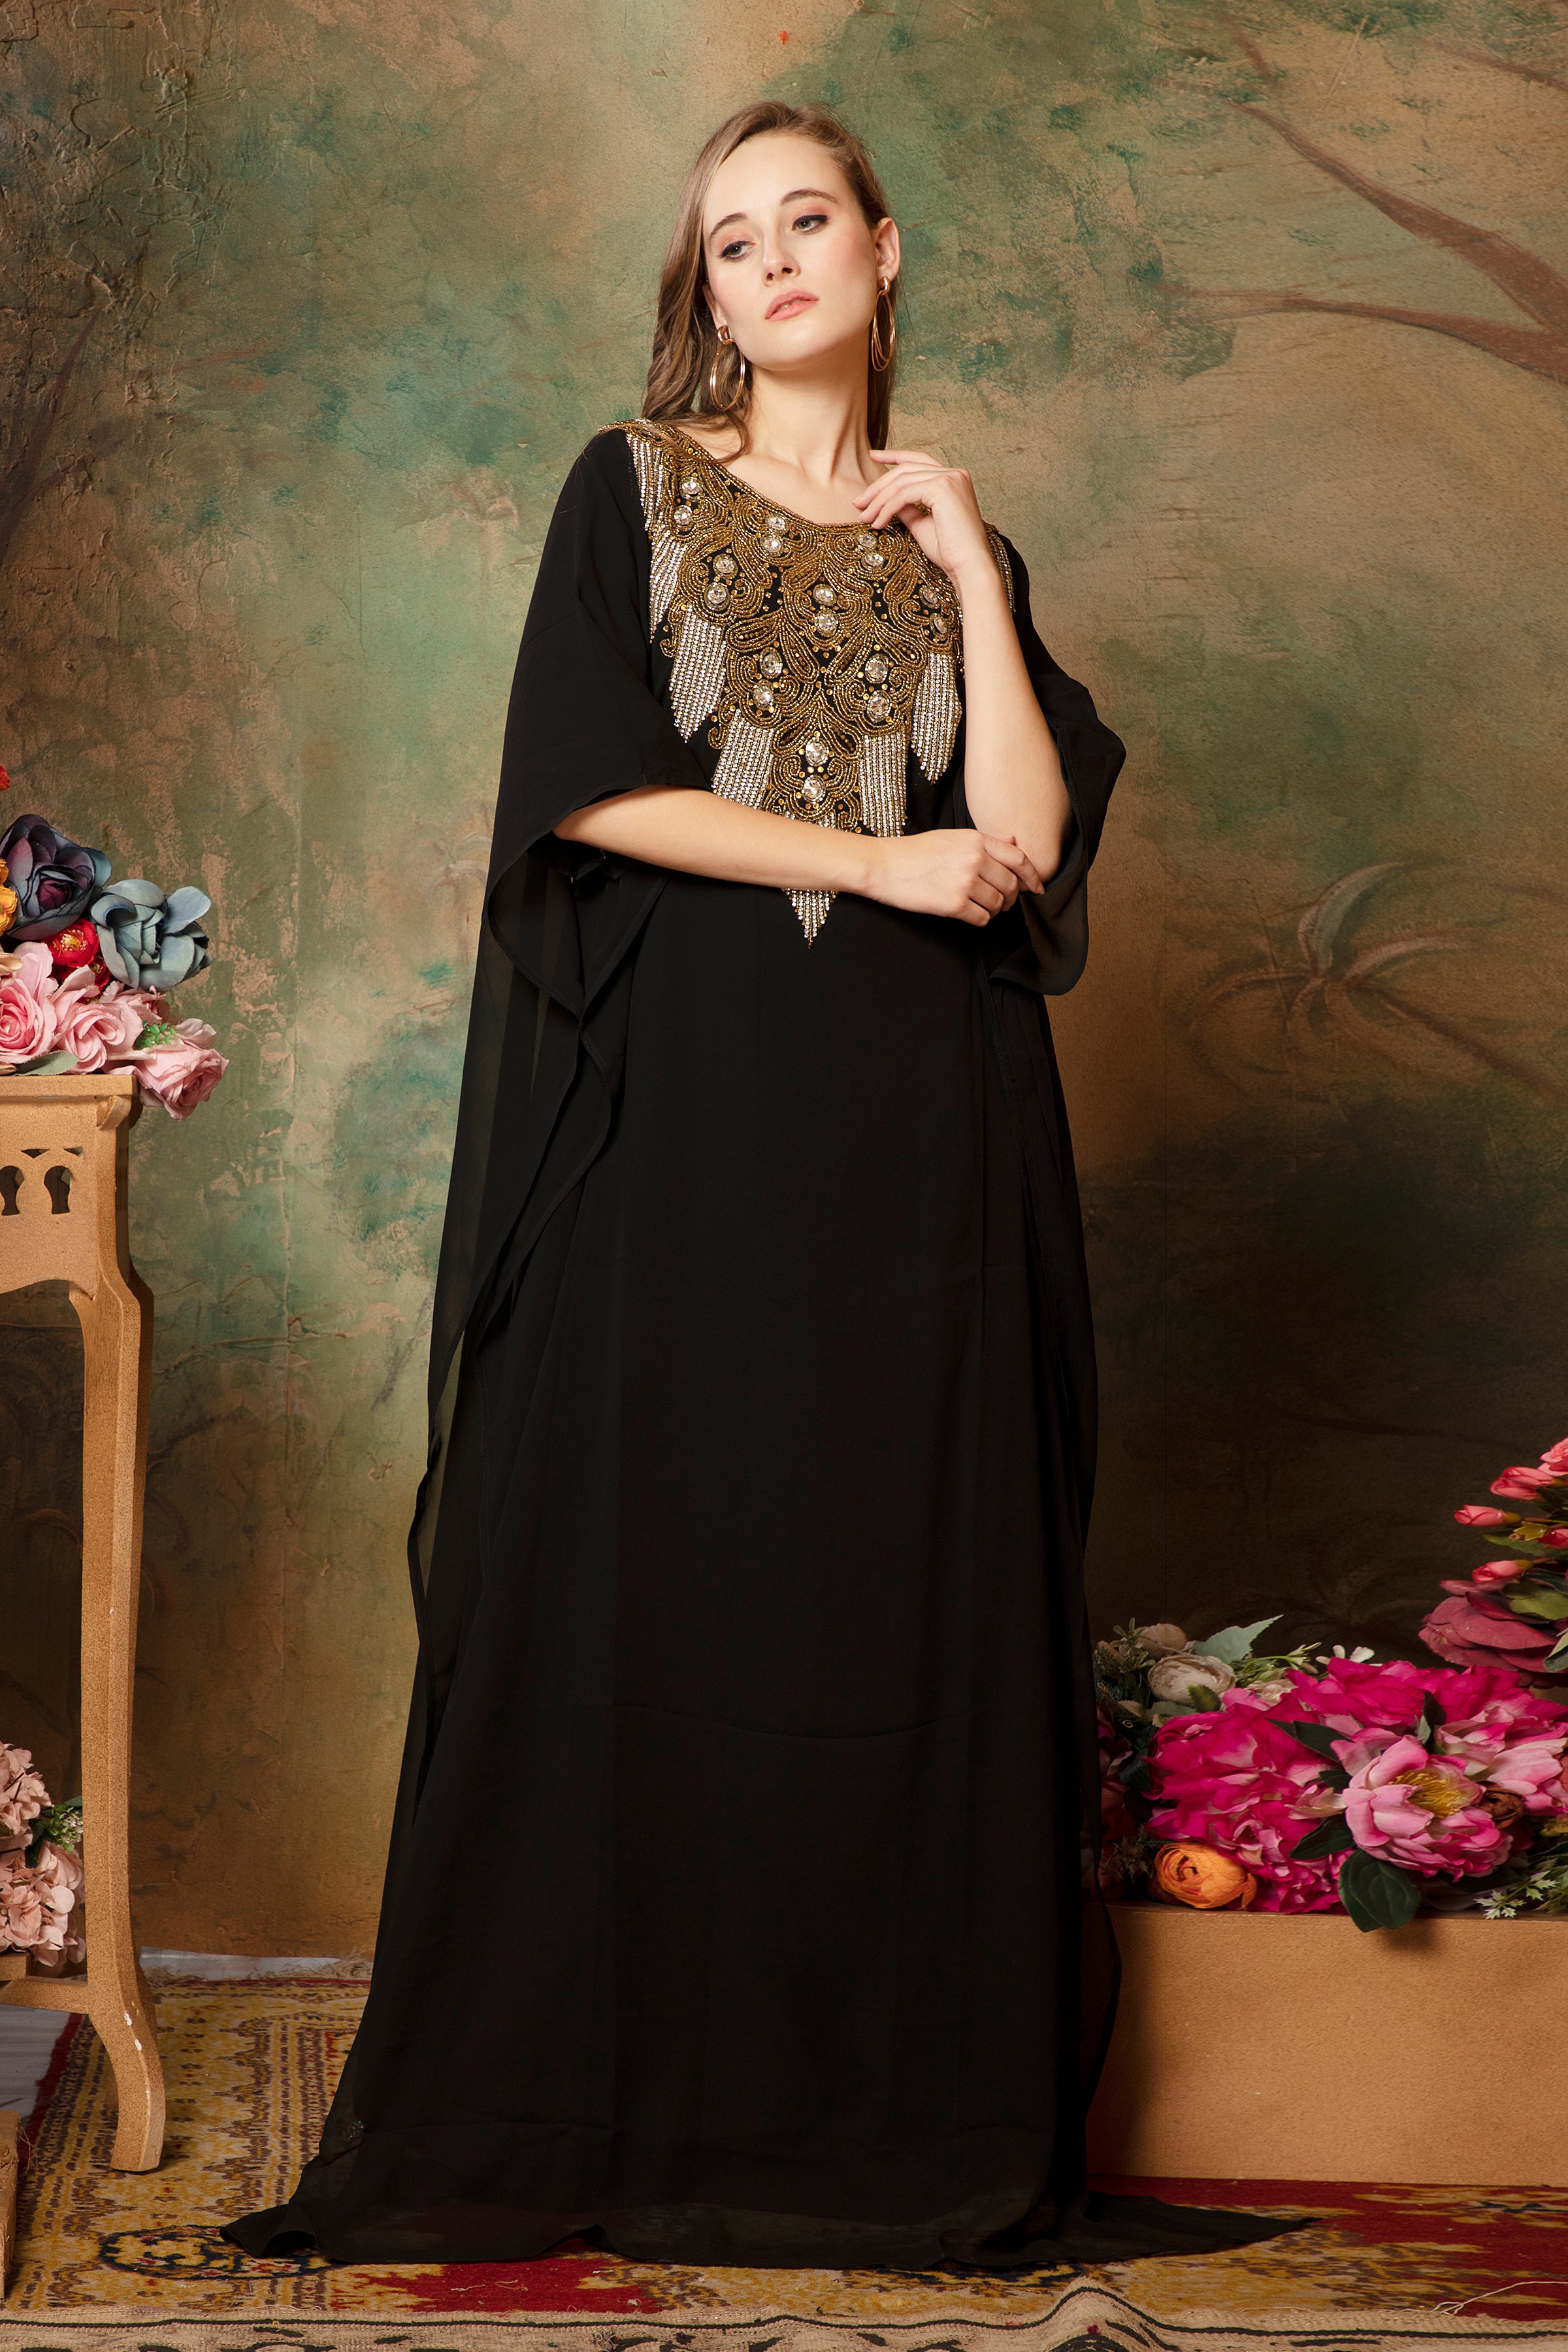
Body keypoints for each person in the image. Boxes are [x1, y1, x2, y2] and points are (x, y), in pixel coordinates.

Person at [226, 100, 1294, 2272]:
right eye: (731, 245)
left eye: (808, 226)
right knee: (658, 1562)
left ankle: (874, 2119)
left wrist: (975, 560)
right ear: (704, 291)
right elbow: (589, 794)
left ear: (885, 258)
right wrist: (866, 858)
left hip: (916, 1141)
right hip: (685, 1122)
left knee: (888, 1579)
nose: (771, 267)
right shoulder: (625, 489)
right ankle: (619, 2097)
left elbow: (1023, 838)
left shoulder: (943, 541)